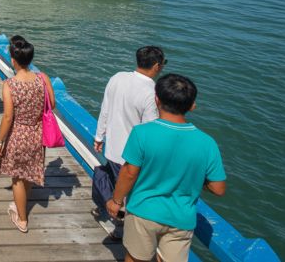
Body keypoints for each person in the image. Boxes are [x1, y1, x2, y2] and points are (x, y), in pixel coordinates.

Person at [106, 74, 226, 262]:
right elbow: (218, 188)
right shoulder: (207, 143)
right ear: (192, 105)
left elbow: (129, 173)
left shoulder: (142, 133)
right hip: (181, 218)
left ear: (157, 100)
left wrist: (116, 201)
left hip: (143, 212)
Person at [93, 46, 165, 226]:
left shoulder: (117, 77)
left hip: (112, 147)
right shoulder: (152, 93)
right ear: (156, 66)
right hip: (131, 156)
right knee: (126, 193)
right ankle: (119, 226)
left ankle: (103, 206)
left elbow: (105, 108)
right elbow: (150, 131)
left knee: (110, 179)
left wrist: (99, 136)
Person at [0, 36, 56, 233]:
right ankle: (21, 204)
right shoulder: (43, 78)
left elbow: (8, 117)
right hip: (37, 133)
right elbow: (52, 104)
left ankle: (22, 219)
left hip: (18, 134)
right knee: (28, 171)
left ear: (13, 60)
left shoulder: (10, 84)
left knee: (17, 178)